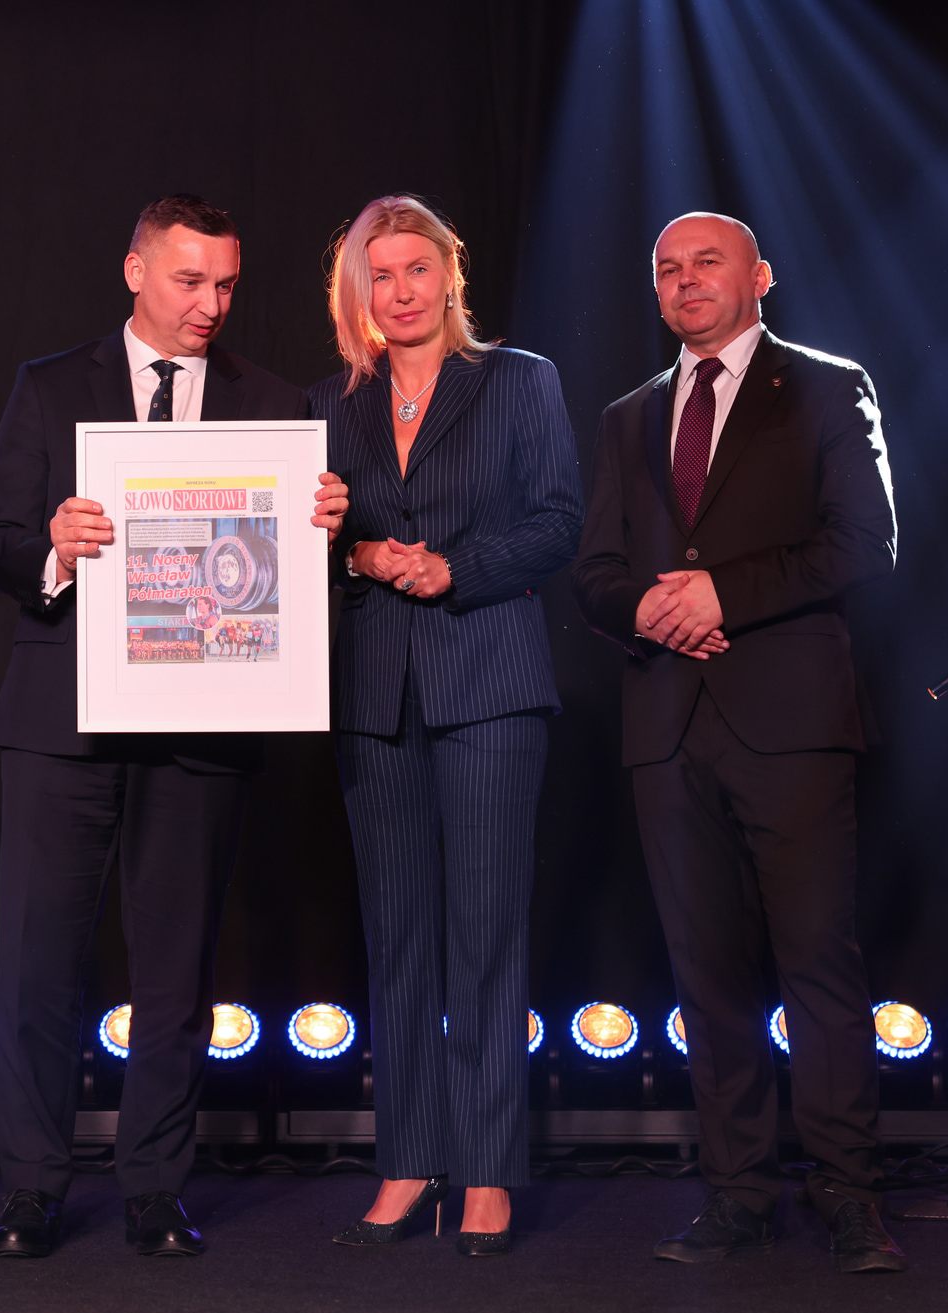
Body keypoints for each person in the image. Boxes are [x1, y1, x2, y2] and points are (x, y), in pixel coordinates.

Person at [0, 194, 347, 1259]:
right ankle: (30, 1189)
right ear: (135, 271)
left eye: (226, 284)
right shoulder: (50, 386)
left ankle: (154, 1191)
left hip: (203, 723)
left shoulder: (274, 405)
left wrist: (320, 530)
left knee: (177, 971)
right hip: (60, 719)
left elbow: (284, 582)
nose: (210, 304)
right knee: (38, 964)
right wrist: (52, 543)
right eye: (189, 281)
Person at [570, 213, 904, 1272]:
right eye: (666, 268)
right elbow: (594, 570)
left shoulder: (826, 386)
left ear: (761, 275)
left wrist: (724, 594)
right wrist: (650, 610)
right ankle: (738, 1194)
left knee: (818, 968)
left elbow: (866, 541)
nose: (685, 281)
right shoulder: (628, 415)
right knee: (707, 978)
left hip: (792, 723)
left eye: (706, 262)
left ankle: (849, 1194)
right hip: (668, 727)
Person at [308, 195, 582, 1257]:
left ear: (450, 275)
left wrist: (454, 568)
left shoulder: (520, 380)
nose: (401, 291)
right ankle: (409, 1159)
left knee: (486, 933)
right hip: (375, 693)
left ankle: (486, 1169)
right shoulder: (333, 405)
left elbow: (558, 521)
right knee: (398, 937)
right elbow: (300, 540)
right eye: (380, 275)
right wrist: (359, 552)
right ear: (359, 293)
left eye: (417, 268)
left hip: (490, 683)